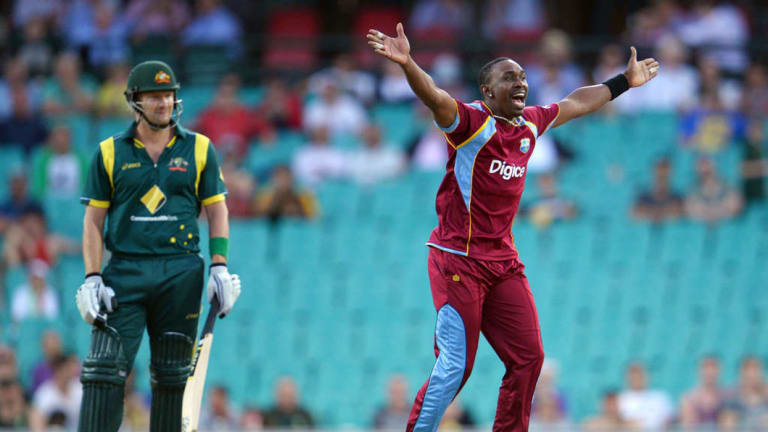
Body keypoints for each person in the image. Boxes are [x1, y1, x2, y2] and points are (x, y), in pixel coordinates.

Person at [366, 22, 659, 432]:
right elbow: (434, 96)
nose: (521, 82)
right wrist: (408, 63)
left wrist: (624, 81)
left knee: (529, 358)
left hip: (502, 263)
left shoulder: (529, 126)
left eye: (523, 76)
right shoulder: (470, 123)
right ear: (488, 92)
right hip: (458, 261)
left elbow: (575, 102)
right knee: (455, 368)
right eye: (509, 77)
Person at [75, 60, 242, 432]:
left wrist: (219, 265)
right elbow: (93, 221)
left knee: (172, 377)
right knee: (103, 371)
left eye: (169, 95)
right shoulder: (109, 152)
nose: (164, 103)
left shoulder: (200, 148)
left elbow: (217, 210)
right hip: (125, 272)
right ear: (135, 101)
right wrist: (91, 277)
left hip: (180, 272)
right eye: (154, 96)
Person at [617, 362, 674, 429]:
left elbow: (671, 420)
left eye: (640, 373)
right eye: (634, 373)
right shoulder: (619, 399)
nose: (637, 377)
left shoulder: (661, 397)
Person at [632, 157, 684, 222]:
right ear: (653, 174)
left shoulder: (677, 199)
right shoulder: (643, 197)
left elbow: (682, 212)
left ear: (670, 176)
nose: (661, 176)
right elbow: (633, 214)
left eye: (664, 174)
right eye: (659, 174)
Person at [680, 355, 725, 428]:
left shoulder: (727, 396)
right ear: (698, 370)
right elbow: (689, 427)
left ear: (719, 369)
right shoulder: (689, 399)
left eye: (713, 367)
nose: (710, 371)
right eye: (706, 367)